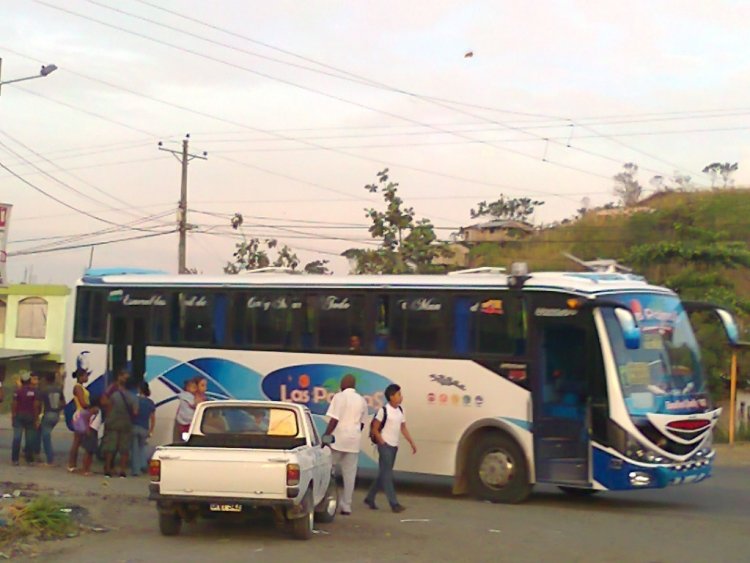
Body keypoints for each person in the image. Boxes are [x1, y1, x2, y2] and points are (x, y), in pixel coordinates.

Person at [364, 384, 417, 513]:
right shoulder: (384, 410)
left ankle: (370, 497)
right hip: (385, 446)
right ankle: (394, 504)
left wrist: (411, 442)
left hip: (394, 446)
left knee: (383, 473)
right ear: (391, 396)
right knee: (387, 474)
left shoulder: (400, 410)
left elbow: (403, 428)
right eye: (398, 394)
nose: (401, 397)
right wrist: (381, 441)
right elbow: (375, 429)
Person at [323, 374, 369, 516]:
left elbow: (334, 419)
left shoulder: (339, 397)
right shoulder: (362, 400)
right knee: (350, 475)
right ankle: (346, 506)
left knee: (327, 470)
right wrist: (354, 434)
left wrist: (326, 436)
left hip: (338, 440)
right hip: (353, 441)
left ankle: (325, 499)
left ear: (344, 384)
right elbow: (362, 423)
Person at [100, 369, 139, 478]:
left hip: (113, 422)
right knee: (124, 448)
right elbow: (135, 412)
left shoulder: (114, 394)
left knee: (110, 447)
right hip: (126, 423)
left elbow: (108, 406)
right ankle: (122, 471)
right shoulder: (134, 397)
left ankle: (107, 470)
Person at [68, 368, 98, 475]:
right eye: (85, 376)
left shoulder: (81, 387)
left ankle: (73, 465)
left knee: (78, 440)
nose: (87, 378)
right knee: (77, 441)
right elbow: (83, 402)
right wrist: (92, 408)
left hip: (83, 414)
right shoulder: (78, 387)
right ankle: (72, 465)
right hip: (81, 415)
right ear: (80, 377)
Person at [11, 372, 41, 466]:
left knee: (17, 438)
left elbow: (14, 404)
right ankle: (29, 460)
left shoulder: (17, 391)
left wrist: (13, 415)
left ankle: (15, 459)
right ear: (29, 381)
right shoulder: (34, 391)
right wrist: (36, 418)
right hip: (30, 416)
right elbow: (36, 405)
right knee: (30, 439)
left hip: (19, 416)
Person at [38, 372, 65, 466]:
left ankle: (49, 459)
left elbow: (39, 403)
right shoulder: (59, 389)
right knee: (42, 432)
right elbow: (63, 403)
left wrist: (37, 416)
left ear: (46, 379)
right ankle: (38, 453)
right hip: (56, 414)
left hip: (48, 413)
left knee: (46, 437)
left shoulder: (44, 390)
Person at [131, 382, 156, 476]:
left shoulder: (135, 400)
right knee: (142, 448)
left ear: (139, 389)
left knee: (134, 449)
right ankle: (143, 465)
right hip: (145, 428)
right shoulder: (150, 402)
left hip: (134, 426)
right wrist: (151, 430)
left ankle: (136, 470)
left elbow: (133, 413)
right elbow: (153, 418)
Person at [173, 378, 198, 442]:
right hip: (188, 418)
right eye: (194, 387)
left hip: (181, 418)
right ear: (187, 388)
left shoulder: (181, 395)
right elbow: (193, 405)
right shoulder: (189, 396)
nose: (195, 389)